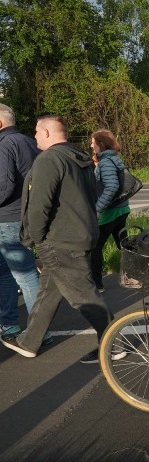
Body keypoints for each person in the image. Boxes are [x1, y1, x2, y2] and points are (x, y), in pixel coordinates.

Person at [1, 115, 114, 364]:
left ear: (48, 133)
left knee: (84, 296)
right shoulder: (79, 157)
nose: (35, 137)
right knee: (48, 292)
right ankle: (29, 342)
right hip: (80, 234)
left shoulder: (49, 159)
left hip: (60, 240)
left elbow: (40, 205)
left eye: (37, 132)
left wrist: (36, 238)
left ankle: (113, 344)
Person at [0, 103, 42, 337]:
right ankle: (10, 323)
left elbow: (4, 185)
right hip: (23, 216)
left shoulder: (4, 144)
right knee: (14, 272)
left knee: (23, 275)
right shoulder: (29, 142)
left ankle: (37, 330)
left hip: (7, 219)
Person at [90, 129, 135, 292]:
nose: (91, 145)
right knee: (124, 245)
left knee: (95, 247)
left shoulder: (106, 162)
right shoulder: (114, 158)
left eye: (93, 142)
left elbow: (112, 186)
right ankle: (135, 275)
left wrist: (97, 209)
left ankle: (97, 284)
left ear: (100, 144)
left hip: (109, 213)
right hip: (122, 209)